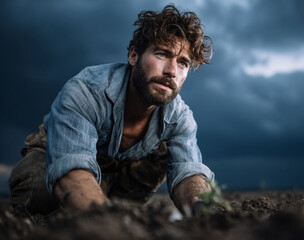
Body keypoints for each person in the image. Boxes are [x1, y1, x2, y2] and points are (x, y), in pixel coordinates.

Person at [8, 4, 214, 215]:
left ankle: (116, 206)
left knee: (165, 155)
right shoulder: (86, 91)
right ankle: (99, 208)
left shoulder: (180, 117)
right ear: (134, 56)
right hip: (56, 153)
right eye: (162, 54)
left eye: (183, 63)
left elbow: (188, 171)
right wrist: (108, 225)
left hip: (120, 169)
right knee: (39, 194)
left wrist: (202, 210)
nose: (172, 71)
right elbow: (70, 168)